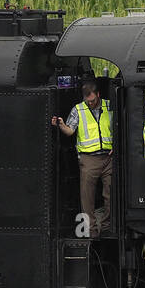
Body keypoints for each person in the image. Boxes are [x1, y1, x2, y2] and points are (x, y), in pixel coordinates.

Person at [52, 80, 114, 235]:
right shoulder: (78, 109)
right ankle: (91, 231)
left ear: (98, 95)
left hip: (108, 157)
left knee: (111, 194)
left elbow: (118, 127)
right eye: (88, 101)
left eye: (93, 100)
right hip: (88, 159)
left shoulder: (109, 106)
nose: (91, 103)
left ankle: (107, 227)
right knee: (87, 198)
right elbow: (70, 131)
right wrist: (60, 125)